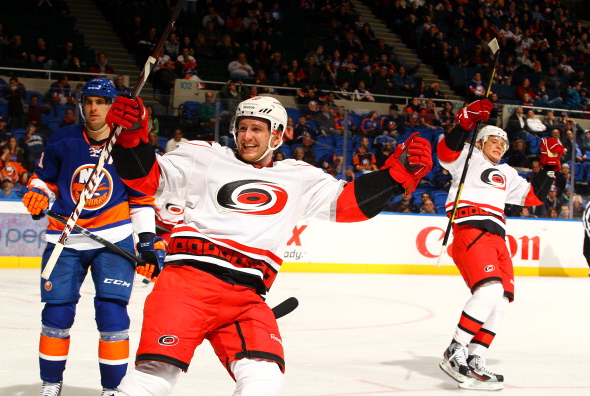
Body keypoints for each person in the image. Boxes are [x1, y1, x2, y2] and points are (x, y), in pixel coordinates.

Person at [106, 95, 433, 396]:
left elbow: (348, 205)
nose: (247, 136)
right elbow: (144, 179)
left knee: (265, 379)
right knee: (156, 375)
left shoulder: (300, 177)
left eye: (257, 130)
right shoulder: (202, 156)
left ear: (277, 136)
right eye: (243, 128)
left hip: (247, 298)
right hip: (187, 286)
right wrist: (131, 137)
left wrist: (395, 177)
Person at [20, 78, 160, 396]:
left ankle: (112, 390)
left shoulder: (128, 146)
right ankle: (51, 384)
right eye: (88, 101)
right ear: (82, 106)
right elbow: (44, 181)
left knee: (112, 316)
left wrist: (149, 241)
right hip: (65, 239)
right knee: (55, 315)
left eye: (102, 101)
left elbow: (141, 200)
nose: (94, 107)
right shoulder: (63, 139)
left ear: (114, 107)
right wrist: (37, 194)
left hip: (114, 239)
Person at [437, 99, 561, 391]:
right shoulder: (467, 156)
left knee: (502, 299)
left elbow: (534, 197)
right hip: (471, 230)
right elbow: (445, 152)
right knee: (490, 289)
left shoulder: (507, 173)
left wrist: (550, 168)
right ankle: (455, 350)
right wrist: (465, 122)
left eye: (504, 143)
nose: (501, 145)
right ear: (480, 142)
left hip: (498, 238)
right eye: (494, 139)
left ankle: (476, 356)